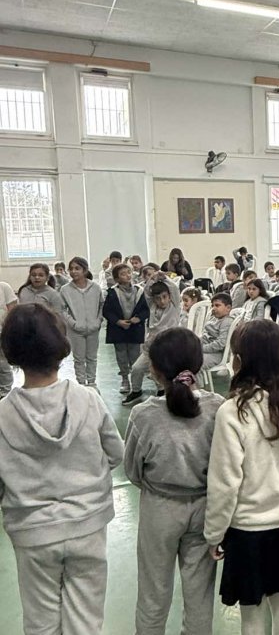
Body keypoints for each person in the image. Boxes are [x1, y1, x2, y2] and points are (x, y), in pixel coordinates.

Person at [0, 303, 124, 635]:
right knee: (86, 620)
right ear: (60, 345)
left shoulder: (3, 414)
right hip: (88, 525)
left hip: (33, 532)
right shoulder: (88, 399)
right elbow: (116, 453)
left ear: (10, 352)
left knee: (40, 621)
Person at [204, 320, 279, 635]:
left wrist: (214, 533)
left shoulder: (232, 412)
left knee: (251, 610)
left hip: (248, 530)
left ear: (240, 360)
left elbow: (225, 482)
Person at [124, 328, 225, 635]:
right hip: (206, 507)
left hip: (160, 507)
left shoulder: (143, 415)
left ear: (154, 370)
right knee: (199, 593)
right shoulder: (218, 407)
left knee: (153, 590)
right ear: (198, 365)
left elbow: (132, 470)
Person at [124, 272, 181, 405]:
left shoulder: (174, 306)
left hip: (167, 347)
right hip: (151, 346)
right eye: (158, 298)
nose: (162, 301)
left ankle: (162, 390)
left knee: (160, 370)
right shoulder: (152, 306)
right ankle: (136, 391)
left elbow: (174, 289)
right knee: (137, 368)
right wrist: (152, 279)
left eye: (164, 297)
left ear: (169, 296)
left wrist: (164, 278)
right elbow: (147, 292)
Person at [103, 263, 149, 395]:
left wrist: (138, 318)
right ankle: (124, 379)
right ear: (117, 278)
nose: (127, 275)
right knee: (121, 356)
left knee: (135, 356)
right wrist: (118, 322)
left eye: (129, 272)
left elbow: (146, 309)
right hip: (118, 330)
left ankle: (136, 382)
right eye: (123, 274)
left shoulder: (140, 291)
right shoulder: (112, 292)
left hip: (135, 329)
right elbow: (107, 311)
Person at [59, 257, 103, 387]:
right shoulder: (65, 289)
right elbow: (62, 310)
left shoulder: (95, 287)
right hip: (75, 330)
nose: (74, 271)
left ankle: (92, 382)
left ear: (85, 270)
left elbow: (101, 305)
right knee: (78, 359)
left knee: (92, 357)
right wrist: (73, 323)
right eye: (71, 269)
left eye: (77, 268)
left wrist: (98, 321)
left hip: (93, 328)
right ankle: (81, 384)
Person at [200, 292, 233, 369]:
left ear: (228, 308)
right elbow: (205, 335)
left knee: (196, 362)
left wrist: (202, 348)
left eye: (217, 305)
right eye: (212, 306)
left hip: (218, 354)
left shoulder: (227, 321)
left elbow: (220, 344)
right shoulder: (214, 318)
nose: (214, 308)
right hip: (207, 348)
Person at [0, 279, 17, 398]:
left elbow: (13, 312)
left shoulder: (4, 287)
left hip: (2, 333)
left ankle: (5, 392)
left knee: (3, 364)